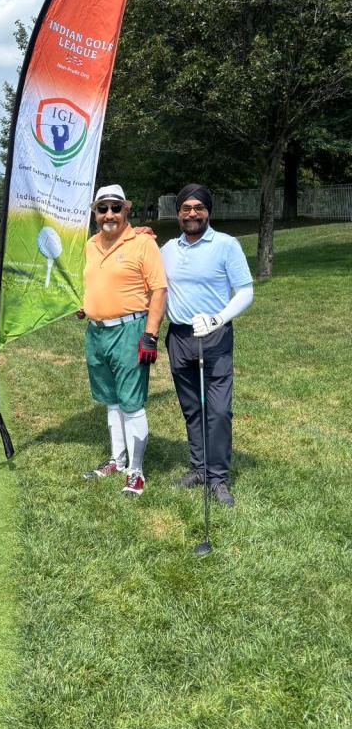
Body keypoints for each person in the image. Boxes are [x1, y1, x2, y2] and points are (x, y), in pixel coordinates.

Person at [161, 184, 253, 507]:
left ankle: (218, 478)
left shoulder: (226, 245)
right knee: (192, 409)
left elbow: (245, 291)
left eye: (198, 207)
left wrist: (218, 318)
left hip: (214, 336)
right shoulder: (167, 249)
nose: (192, 214)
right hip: (178, 337)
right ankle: (199, 469)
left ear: (208, 212)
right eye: (186, 208)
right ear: (178, 213)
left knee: (218, 410)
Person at [78, 185, 167, 496]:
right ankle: (117, 460)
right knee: (112, 400)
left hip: (129, 331)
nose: (109, 214)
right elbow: (93, 283)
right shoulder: (90, 245)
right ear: (95, 213)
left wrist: (150, 335)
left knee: (131, 402)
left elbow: (159, 290)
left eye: (116, 208)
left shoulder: (143, 242)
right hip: (96, 332)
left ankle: (136, 471)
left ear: (126, 210)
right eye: (102, 208)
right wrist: (84, 305)